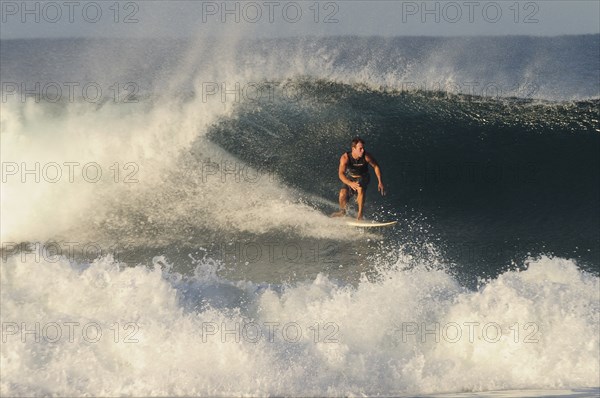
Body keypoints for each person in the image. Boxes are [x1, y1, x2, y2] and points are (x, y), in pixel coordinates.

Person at [331, 137, 385, 220]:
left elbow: (376, 166)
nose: (362, 150)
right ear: (353, 149)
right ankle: (342, 212)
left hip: (363, 176)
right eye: (360, 148)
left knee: (360, 188)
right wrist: (350, 183)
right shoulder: (345, 158)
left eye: (363, 148)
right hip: (351, 177)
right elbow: (341, 174)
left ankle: (360, 215)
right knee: (342, 193)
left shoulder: (366, 156)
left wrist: (380, 181)